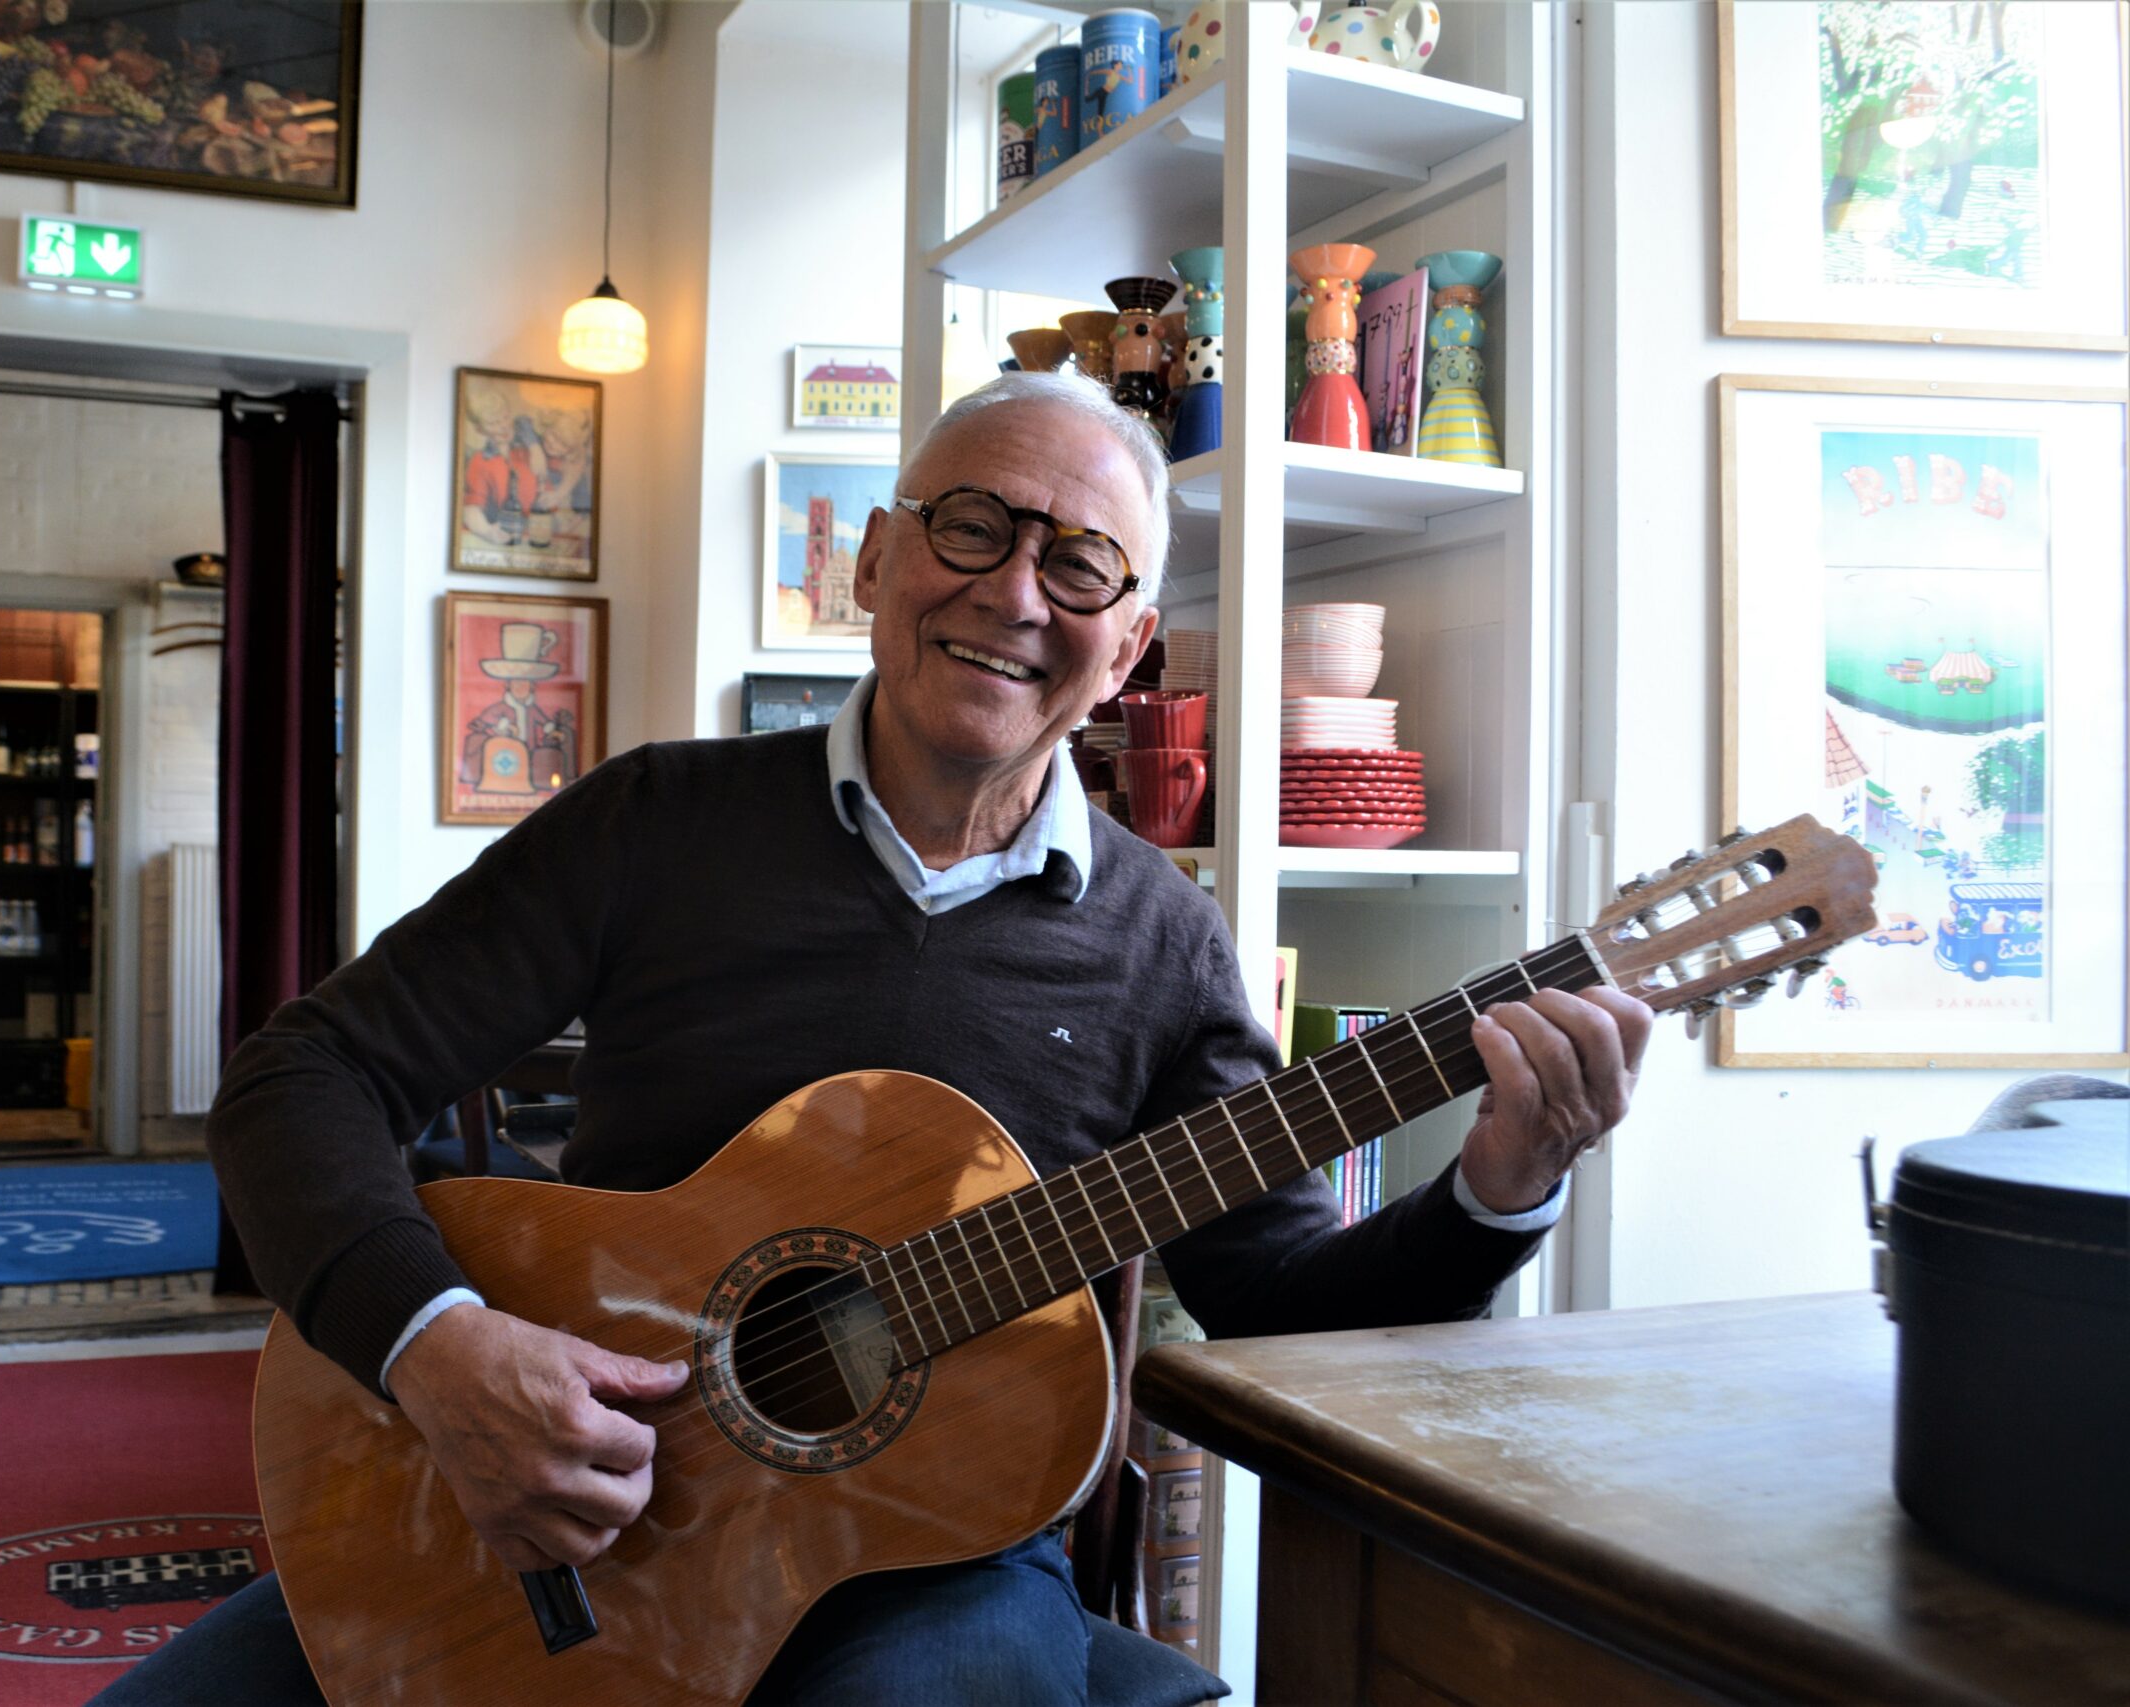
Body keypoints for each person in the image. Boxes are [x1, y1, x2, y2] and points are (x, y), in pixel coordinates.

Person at [96, 370, 1651, 1707]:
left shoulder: (1165, 943)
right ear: (874, 559)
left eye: (1084, 566)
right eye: (972, 527)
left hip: (932, 1562)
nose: (1014, 593)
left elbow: (1280, 1316)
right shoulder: (657, 822)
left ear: (1130, 654)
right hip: (534, 1493)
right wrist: (443, 1353)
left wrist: (1497, 1197)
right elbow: (301, 1079)